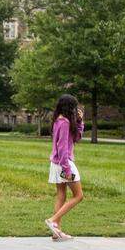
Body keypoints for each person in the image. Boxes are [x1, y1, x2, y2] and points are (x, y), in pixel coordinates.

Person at [46, 94, 85, 241]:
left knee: (61, 195)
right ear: (69, 107)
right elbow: (62, 147)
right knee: (79, 196)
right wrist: (67, 170)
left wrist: (80, 122)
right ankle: (53, 220)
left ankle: (56, 232)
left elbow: (76, 138)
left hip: (58, 164)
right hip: (64, 163)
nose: (76, 110)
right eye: (74, 107)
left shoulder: (60, 121)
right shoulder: (64, 123)